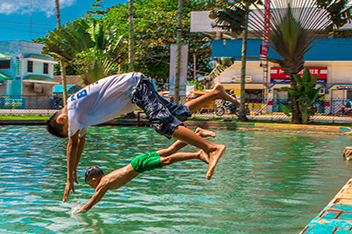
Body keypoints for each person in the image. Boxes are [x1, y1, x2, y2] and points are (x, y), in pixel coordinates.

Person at [46, 72, 240, 202]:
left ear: (62, 120)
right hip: (136, 88)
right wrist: (72, 172)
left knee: (162, 123)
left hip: (135, 87)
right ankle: (216, 93)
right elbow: (79, 142)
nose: (73, 131)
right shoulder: (79, 114)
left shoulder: (72, 110)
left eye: (68, 129)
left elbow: (72, 144)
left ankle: (211, 148)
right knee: (177, 114)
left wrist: (69, 178)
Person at [77, 128, 215, 213]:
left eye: (90, 184)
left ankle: (197, 154)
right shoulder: (105, 180)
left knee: (168, 159)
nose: (93, 187)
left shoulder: (103, 183)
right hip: (138, 161)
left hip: (139, 165)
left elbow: (91, 203)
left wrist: (78, 212)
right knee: (169, 151)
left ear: (94, 179)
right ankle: (198, 134)